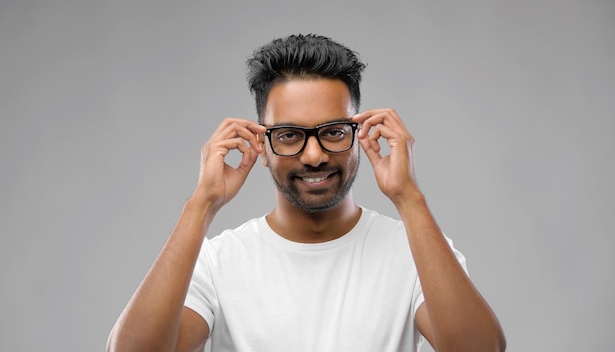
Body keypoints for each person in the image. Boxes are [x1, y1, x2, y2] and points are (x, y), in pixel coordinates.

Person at [107, 34, 506, 352]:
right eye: (289, 135)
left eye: (333, 132)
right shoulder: (215, 262)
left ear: (361, 136)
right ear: (262, 146)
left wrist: (409, 198)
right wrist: (201, 204)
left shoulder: (415, 251)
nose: (313, 155)